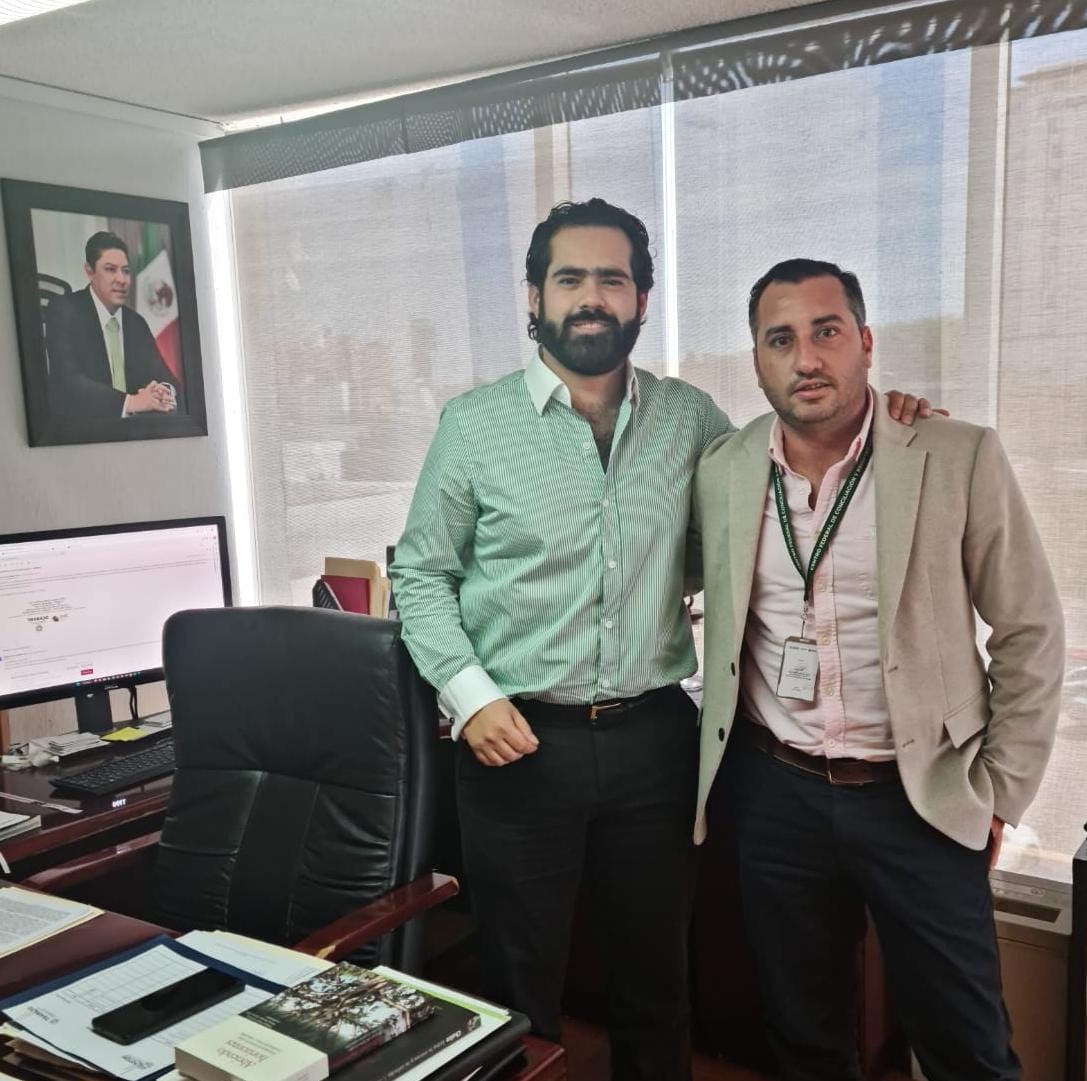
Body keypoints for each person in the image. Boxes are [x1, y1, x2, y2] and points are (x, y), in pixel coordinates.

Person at [391, 205, 928, 1081]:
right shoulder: (473, 425)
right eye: (569, 278)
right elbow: (420, 575)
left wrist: (891, 417)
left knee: (656, 983)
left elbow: (781, 480)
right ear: (534, 296)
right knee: (516, 989)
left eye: (612, 279)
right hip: (515, 743)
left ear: (641, 298)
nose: (591, 297)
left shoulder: (690, 419)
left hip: (654, 743)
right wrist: (469, 692)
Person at [691, 258, 1065, 1081]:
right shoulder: (721, 470)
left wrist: (998, 791)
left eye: (825, 331)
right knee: (802, 1036)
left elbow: (1030, 630)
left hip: (918, 796)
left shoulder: (954, 454)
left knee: (966, 1045)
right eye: (779, 339)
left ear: (864, 342)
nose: (805, 358)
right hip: (774, 793)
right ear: (755, 360)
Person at [44, 231, 177, 418]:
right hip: (85, 427)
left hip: (136, 429)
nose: (121, 280)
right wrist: (130, 402)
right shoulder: (64, 311)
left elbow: (164, 376)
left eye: (126, 271)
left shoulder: (136, 322)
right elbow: (69, 383)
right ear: (89, 271)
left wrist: (164, 391)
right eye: (110, 269)